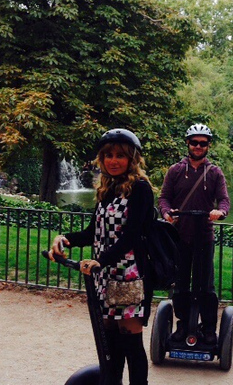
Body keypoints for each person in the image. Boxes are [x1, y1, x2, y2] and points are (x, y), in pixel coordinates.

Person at [49, 129, 154, 385]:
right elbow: (91, 232)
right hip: (103, 276)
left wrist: (100, 260)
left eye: (120, 155)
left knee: (131, 344)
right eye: (108, 155)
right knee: (111, 345)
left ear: (132, 158)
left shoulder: (140, 189)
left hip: (129, 276)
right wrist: (64, 239)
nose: (113, 160)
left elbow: (131, 236)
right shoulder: (106, 190)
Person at [159, 123, 230, 346]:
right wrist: (166, 212)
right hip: (180, 236)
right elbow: (164, 198)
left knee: (205, 285)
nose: (198, 146)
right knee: (180, 285)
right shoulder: (175, 171)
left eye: (203, 143)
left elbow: (224, 200)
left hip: (204, 236)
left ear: (208, 145)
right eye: (194, 142)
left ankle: (208, 328)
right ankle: (182, 325)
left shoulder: (215, 173)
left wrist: (221, 211)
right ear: (187, 144)